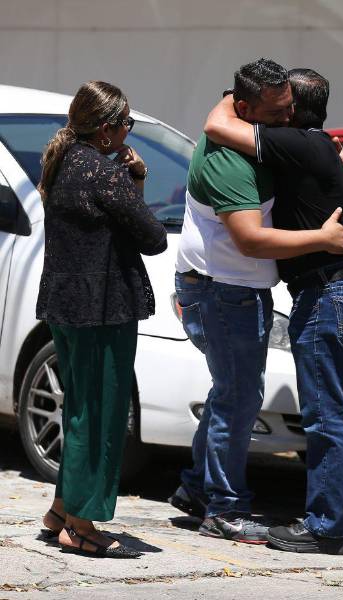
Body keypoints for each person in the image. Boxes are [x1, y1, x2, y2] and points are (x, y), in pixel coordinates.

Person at [169, 59, 343, 545]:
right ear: (245, 107)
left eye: (290, 110)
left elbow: (232, 113)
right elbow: (250, 240)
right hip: (224, 290)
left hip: (230, 287)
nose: (288, 120)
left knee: (228, 392)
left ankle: (197, 488)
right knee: (238, 397)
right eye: (277, 113)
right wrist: (324, 238)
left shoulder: (255, 127)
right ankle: (224, 510)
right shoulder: (229, 159)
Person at [37, 81, 166, 558]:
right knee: (102, 416)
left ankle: (59, 510)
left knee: (80, 410)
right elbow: (153, 237)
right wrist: (137, 177)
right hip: (102, 309)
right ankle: (82, 524)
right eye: (126, 124)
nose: (129, 132)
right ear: (109, 130)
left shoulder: (62, 162)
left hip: (66, 306)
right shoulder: (101, 172)